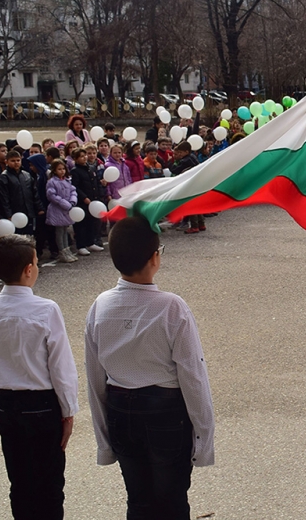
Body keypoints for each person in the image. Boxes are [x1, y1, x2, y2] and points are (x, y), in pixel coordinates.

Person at [85, 216, 215, 519]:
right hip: (165, 413)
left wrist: (103, 440)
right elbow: (193, 376)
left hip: (120, 410)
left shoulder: (100, 305)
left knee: (139, 500)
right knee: (172, 500)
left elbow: (94, 377)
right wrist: (204, 438)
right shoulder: (171, 307)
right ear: (154, 258)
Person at [0, 234, 78, 519]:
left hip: (6, 405)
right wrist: (68, 411)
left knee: (19, 482)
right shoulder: (45, 309)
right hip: (42, 406)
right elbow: (61, 367)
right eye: (35, 262)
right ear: (29, 270)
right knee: (50, 484)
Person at [0, 150, 44, 235]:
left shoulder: (27, 175)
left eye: (18, 160)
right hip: (15, 214)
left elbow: (34, 193)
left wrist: (39, 208)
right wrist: (8, 215)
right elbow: (3, 198)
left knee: (29, 236)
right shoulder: (4, 177)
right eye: (13, 161)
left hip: (29, 212)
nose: (16, 163)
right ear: (7, 161)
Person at [70, 148, 106, 256]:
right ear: (75, 159)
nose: (84, 158)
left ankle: (90, 242)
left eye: (84, 155)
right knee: (81, 224)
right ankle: (81, 245)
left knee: (91, 222)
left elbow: (96, 183)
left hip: (93, 200)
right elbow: (75, 187)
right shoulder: (75, 171)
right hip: (83, 202)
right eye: (81, 156)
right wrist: (83, 197)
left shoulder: (91, 168)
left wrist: (99, 195)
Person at [46, 160, 79, 263]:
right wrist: (65, 203)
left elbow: (73, 191)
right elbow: (52, 195)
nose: (62, 171)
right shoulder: (52, 182)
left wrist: (72, 201)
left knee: (65, 230)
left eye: (63, 169)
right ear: (54, 170)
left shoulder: (67, 180)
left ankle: (67, 250)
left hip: (67, 209)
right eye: (59, 169)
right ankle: (62, 251)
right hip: (58, 209)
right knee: (60, 231)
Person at [171, 142, 204, 233]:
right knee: (197, 205)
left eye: (181, 153)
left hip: (190, 185)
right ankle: (201, 224)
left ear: (186, 151)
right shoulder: (193, 157)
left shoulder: (185, 161)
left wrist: (172, 163)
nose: (179, 155)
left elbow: (175, 170)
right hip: (197, 183)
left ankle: (194, 226)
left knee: (190, 205)